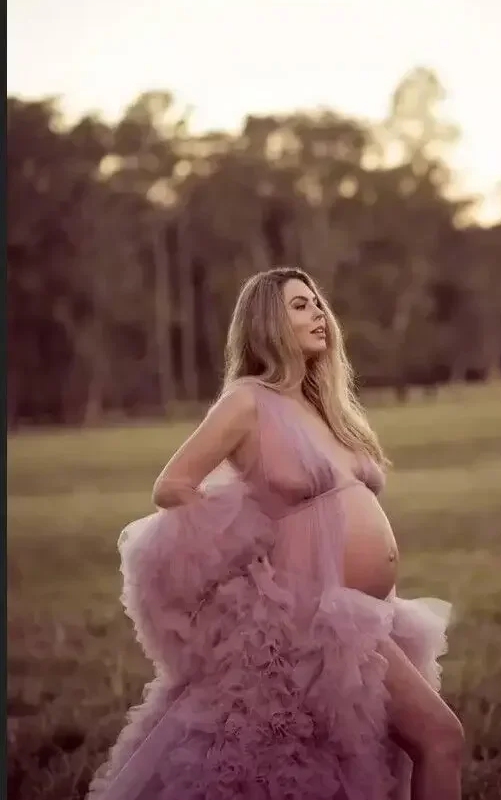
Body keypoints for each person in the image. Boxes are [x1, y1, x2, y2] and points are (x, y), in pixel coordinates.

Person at [87, 267, 464, 800]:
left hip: (363, 618)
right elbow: (173, 485)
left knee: (354, 766)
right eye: (300, 306)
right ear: (267, 321)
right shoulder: (247, 400)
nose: (319, 315)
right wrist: (244, 548)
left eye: (318, 305)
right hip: (307, 618)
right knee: (439, 737)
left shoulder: (323, 407)